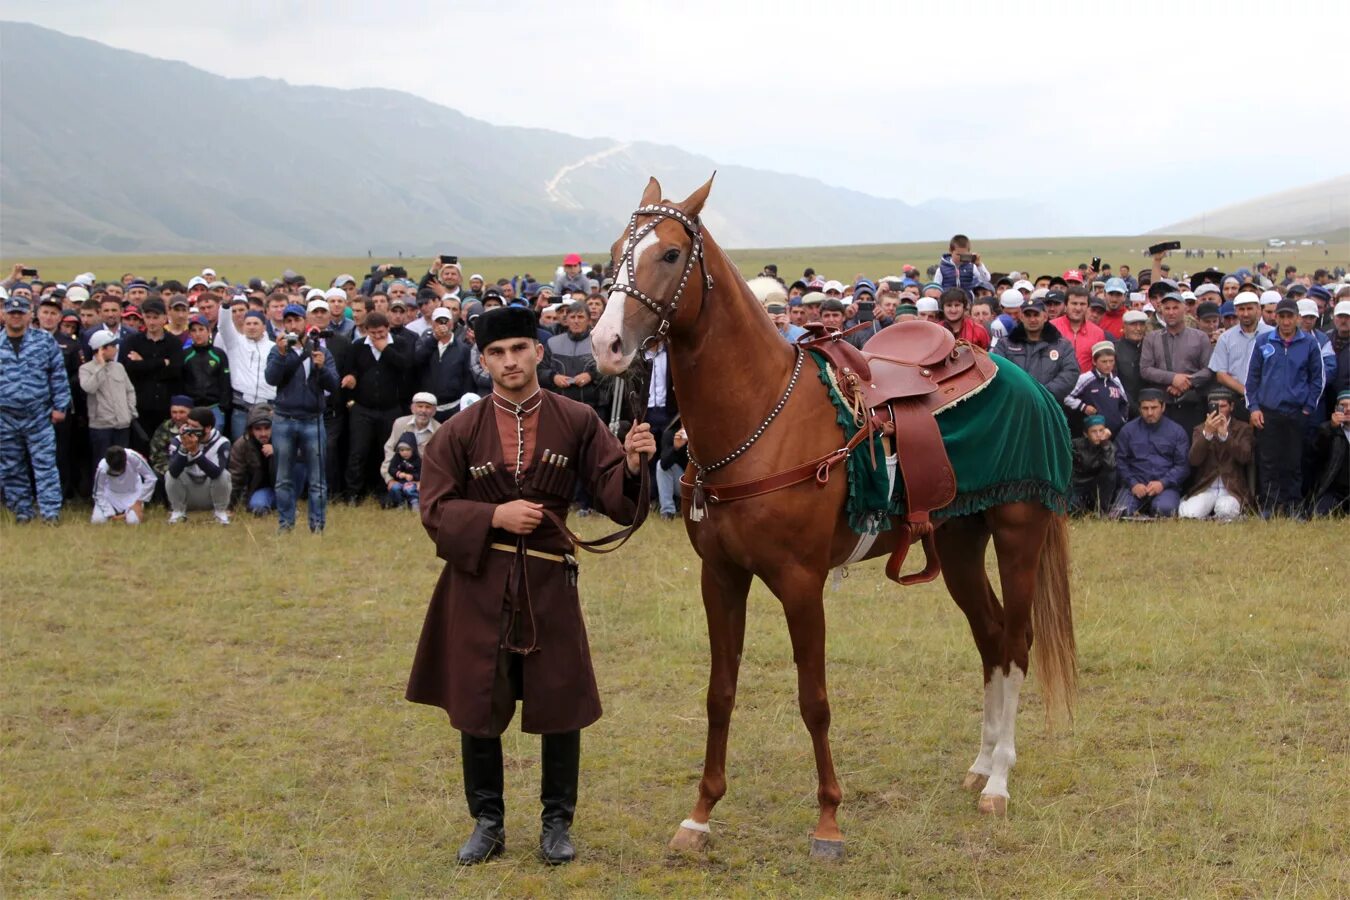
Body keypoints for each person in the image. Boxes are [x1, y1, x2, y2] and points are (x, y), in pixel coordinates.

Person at [406, 306, 656, 867]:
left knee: (559, 701)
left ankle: (556, 825)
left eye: (519, 348)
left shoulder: (577, 420)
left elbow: (616, 498)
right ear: (483, 360)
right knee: (477, 702)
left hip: (548, 580)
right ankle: (487, 822)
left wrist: (636, 467)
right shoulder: (458, 432)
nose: (509, 361)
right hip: (476, 583)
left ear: (538, 352)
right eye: (496, 353)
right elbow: (433, 510)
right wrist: (494, 518)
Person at [1246, 297, 1326, 518]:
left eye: (1290, 316)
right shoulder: (1264, 341)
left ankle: (1293, 506)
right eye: (1282, 316)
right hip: (1268, 412)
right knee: (1269, 461)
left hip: (1296, 412)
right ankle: (1270, 505)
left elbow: (1317, 379)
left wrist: (1308, 408)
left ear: (1297, 317)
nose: (1286, 321)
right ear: (1276, 317)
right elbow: (1252, 378)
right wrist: (1253, 407)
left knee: (1294, 462)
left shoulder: (1309, 343)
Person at [265, 311, 339, 533]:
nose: (293, 325)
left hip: (312, 420)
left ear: (305, 323)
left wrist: (321, 367)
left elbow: (333, 384)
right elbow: (271, 378)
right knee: (283, 478)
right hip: (284, 419)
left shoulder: (321, 351)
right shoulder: (277, 350)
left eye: (296, 320)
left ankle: (317, 526)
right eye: (288, 321)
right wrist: (280, 355)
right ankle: (285, 524)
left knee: (317, 479)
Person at [0, 293, 70, 524]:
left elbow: (58, 375)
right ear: (4, 315)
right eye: (12, 313)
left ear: (30, 315)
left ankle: (50, 512)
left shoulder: (44, 341)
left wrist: (60, 406)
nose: (16, 317)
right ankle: (22, 510)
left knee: (45, 466)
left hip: (38, 415)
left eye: (21, 313)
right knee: (11, 467)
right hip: (5, 417)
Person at [343, 310, 413, 504]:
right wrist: (351, 380)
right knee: (358, 451)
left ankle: (386, 491)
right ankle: (354, 493)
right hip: (363, 408)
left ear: (387, 328)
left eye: (381, 332)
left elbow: (405, 365)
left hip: (391, 408)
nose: (377, 337)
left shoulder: (399, 344)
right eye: (373, 333)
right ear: (366, 331)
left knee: (387, 452)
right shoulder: (358, 347)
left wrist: (385, 349)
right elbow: (351, 369)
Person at [1140, 291, 1213, 436]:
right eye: (1167, 308)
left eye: (1175, 308)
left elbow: (1209, 370)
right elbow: (1145, 369)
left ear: (1184, 309)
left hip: (1191, 405)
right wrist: (1173, 378)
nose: (1171, 312)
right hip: (1162, 406)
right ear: (1161, 310)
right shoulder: (1152, 338)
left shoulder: (1200, 337)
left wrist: (1187, 382)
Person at [1110, 388, 1190, 518]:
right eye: (1145, 408)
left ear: (1163, 407)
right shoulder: (1128, 430)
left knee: (1164, 510)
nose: (1150, 412)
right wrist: (1133, 484)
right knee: (1120, 513)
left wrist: (1163, 483)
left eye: (1154, 407)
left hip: (1165, 487)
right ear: (1140, 409)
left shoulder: (1177, 432)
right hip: (1134, 486)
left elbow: (1183, 466)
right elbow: (1119, 461)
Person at [1178, 389, 1255, 521]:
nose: (1218, 411)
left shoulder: (1243, 428)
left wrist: (1226, 437)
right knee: (1189, 513)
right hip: (1207, 487)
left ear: (1231, 407)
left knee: (1225, 510)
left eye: (1223, 406)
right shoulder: (1200, 429)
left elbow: (1245, 457)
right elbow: (1194, 460)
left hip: (1232, 489)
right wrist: (1206, 435)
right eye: (1214, 406)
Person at [120, 298, 184, 446]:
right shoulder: (133, 341)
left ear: (164, 318)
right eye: (148, 317)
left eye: (155, 318)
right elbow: (130, 369)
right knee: (140, 445)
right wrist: (161, 363)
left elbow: (175, 371)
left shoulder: (173, 343)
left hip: (165, 405)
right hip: (140, 405)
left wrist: (143, 363)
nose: (152, 322)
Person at [991, 298, 1079, 402]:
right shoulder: (1005, 344)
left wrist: (1044, 394)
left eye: (1036, 315)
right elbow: (996, 371)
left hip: (1049, 406)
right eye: (1028, 315)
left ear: (1045, 317)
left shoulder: (1062, 345)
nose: (1032, 319)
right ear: (1021, 317)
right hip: (1014, 404)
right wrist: (1018, 394)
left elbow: (1070, 373)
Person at [1207, 291, 1273, 421]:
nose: (1246, 313)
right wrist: (1247, 392)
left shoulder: (1273, 334)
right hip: (1237, 400)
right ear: (1236, 311)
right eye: (1241, 309)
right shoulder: (1226, 338)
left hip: (1267, 400)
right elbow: (1221, 375)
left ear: (1258, 309)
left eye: (1250, 308)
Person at [216, 304, 277, 439]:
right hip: (242, 408)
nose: (252, 326)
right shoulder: (235, 343)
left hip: (268, 407)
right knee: (240, 446)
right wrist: (225, 307)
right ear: (243, 326)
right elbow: (224, 326)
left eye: (256, 323)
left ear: (264, 327)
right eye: (248, 323)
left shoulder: (274, 348)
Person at [78, 330, 138, 467]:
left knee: (123, 462)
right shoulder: (86, 369)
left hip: (122, 424)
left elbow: (130, 390)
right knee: (102, 463)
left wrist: (130, 410)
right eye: (112, 346)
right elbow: (89, 388)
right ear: (102, 349)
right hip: (101, 426)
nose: (116, 349)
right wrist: (100, 367)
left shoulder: (119, 367)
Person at [165, 406, 232, 525]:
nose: (190, 430)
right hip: (187, 489)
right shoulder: (178, 440)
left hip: (210, 489)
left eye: (195, 427)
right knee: (169, 475)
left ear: (207, 428)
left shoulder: (222, 443)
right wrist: (184, 449)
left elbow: (215, 472)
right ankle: (178, 512)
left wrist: (196, 452)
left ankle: (220, 513)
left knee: (224, 475)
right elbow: (173, 471)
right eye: (188, 425)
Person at [228, 404, 293, 516]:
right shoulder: (241, 445)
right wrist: (230, 506)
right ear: (251, 430)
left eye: (267, 428)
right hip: (262, 489)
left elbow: (303, 455)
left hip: (288, 485)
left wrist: (278, 451)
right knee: (258, 506)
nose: (263, 433)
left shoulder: (286, 437)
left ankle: (288, 503)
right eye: (258, 429)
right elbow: (236, 477)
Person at [415, 306, 475, 422]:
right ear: (432, 324)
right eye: (438, 321)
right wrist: (434, 339)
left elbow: (467, 379)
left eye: (445, 321)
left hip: (453, 407)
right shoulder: (425, 342)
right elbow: (417, 360)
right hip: (427, 407)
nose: (442, 325)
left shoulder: (463, 349)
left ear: (452, 324)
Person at [381, 393, 441, 496]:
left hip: (423, 477)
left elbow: (439, 462)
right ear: (413, 408)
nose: (423, 411)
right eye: (420, 406)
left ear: (434, 411)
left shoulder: (439, 430)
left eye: (428, 407)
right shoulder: (400, 423)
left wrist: (425, 482)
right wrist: (389, 479)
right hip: (399, 474)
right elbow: (389, 450)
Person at [1063, 341, 1129, 434]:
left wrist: (1121, 420)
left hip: (1115, 433)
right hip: (1092, 433)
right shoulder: (1085, 378)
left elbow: (1124, 403)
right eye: (1104, 361)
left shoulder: (1116, 380)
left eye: (1111, 361)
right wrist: (1083, 407)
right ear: (1094, 361)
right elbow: (1067, 397)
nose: (1108, 365)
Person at [181, 316, 232, 430]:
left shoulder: (219, 354)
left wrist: (223, 407)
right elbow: (181, 381)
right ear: (189, 334)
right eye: (193, 330)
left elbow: (225, 382)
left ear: (208, 331)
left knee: (214, 442)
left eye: (201, 329)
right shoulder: (185, 354)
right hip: (192, 408)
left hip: (214, 407)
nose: (198, 334)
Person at [1309, 389, 1350, 516]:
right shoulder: (1326, 429)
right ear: (1336, 409)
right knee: (1318, 514)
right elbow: (1315, 456)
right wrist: (1331, 429)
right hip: (1334, 491)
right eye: (1343, 406)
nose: (1348, 409)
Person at [90, 445, 156, 525]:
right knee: (97, 521)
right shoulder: (102, 467)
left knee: (133, 522)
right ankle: (119, 514)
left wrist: (139, 502)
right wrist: (110, 514)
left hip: (132, 493)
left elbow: (151, 478)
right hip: (111, 495)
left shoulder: (134, 457)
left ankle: (129, 514)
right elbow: (98, 493)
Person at [1050, 286, 1107, 373]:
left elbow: (1100, 364)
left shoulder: (1098, 333)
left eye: (1082, 304)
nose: (1078, 308)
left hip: (1086, 385)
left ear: (1088, 306)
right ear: (1066, 305)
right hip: (1056, 383)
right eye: (1074, 303)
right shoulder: (1052, 327)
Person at [1070, 415, 1117, 515]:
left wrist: (1104, 444)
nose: (1098, 434)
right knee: (1074, 509)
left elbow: (1111, 467)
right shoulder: (1075, 446)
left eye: (1101, 430)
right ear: (1086, 434)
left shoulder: (1108, 446)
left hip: (1096, 487)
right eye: (1094, 431)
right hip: (1077, 486)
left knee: (1111, 474)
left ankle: (1102, 510)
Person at [386, 433, 422, 510]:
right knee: (395, 488)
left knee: (409, 488)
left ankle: (415, 502)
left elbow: (421, 473)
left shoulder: (417, 460)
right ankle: (400, 503)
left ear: (413, 449)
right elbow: (391, 469)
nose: (405, 452)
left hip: (413, 482)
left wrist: (413, 476)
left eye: (408, 449)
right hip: (399, 481)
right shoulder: (397, 458)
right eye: (402, 450)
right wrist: (398, 474)